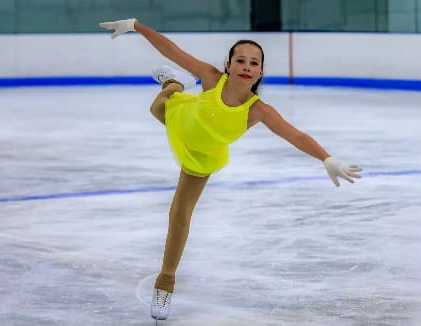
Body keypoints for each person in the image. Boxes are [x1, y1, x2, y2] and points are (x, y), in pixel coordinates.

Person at [99, 18, 363, 321]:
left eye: (254, 62)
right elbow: (171, 50)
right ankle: (175, 83)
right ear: (228, 64)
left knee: (179, 214)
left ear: (260, 72)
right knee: (157, 107)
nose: (246, 66)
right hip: (183, 119)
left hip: (201, 155)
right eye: (240, 60)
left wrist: (327, 159)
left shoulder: (257, 110)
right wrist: (137, 26)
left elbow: (295, 135)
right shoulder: (211, 78)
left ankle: (166, 282)